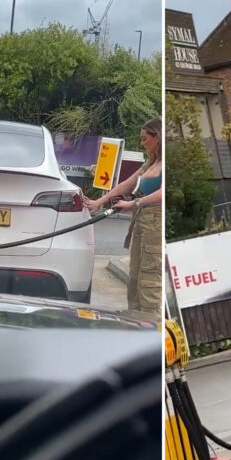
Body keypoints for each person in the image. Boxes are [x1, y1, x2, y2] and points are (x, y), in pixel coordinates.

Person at [83, 119, 162, 315]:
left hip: (156, 223)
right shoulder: (151, 162)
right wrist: (100, 202)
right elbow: (128, 183)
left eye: (145, 139)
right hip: (142, 222)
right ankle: (136, 320)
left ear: (157, 137)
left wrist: (134, 203)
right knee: (134, 279)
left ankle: (152, 326)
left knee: (149, 280)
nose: (142, 143)